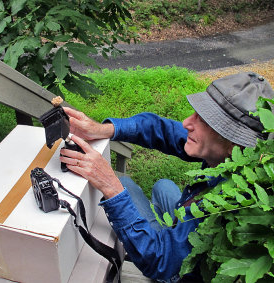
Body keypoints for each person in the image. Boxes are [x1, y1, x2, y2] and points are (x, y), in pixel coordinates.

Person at [59, 72, 274, 282]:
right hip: (188, 225)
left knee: (123, 185)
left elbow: (159, 259)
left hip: (178, 271)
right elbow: (159, 129)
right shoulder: (240, 159)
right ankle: (170, 230)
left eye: (206, 122)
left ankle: (165, 235)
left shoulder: (230, 205)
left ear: (234, 144)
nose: (187, 123)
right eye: (197, 113)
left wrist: (111, 188)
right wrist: (101, 129)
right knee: (163, 186)